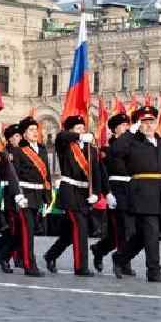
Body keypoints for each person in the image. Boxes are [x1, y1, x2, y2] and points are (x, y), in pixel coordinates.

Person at [111, 106, 161, 282]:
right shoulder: (132, 141)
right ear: (138, 124)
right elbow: (115, 151)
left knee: (144, 235)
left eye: (152, 121)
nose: (149, 125)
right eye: (144, 122)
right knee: (152, 232)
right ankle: (154, 271)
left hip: (159, 193)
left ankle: (120, 258)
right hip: (141, 192)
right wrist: (130, 132)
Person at [44, 114, 102, 277]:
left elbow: (96, 172)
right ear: (71, 130)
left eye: (83, 128)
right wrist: (78, 136)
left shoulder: (90, 148)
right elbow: (61, 136)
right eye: (77, 128)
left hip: (84, 193)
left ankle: (51, 255)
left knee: (71, 233)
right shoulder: (65, 144)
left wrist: (96, 193)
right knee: (80, 228)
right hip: (70, 192)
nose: (81, 130)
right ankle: (81, 267)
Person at [91, 112, 135, 275]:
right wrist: (107, 193)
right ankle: (123, 264)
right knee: (120, 230)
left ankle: (99, 249)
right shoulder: (108, 150)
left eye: (127, 125)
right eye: (123, 126)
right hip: (116, 191)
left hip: (131, 191)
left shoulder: (133, 147)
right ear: (115, 129)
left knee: (128, 231)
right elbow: (103, 174)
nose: (126, 128)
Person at [10, 116, 51, 277]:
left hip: (38, 195)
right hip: (25, 195)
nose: (35, 132)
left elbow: (46, 174)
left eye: (36, 129)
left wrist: (47, 196)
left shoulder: (42, 149)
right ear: (24, 134)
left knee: (27, 231)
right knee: (28, 231)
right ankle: (29, 265)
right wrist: (18, 195)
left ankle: (3, 253)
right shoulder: (18, 151)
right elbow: (13, 175)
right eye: (31, 130)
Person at [0, 124, 25, 273]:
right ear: (9, 139)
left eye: (19, 136)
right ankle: (8, 256)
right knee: (15, 228)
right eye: (16, 136)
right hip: (8, 195)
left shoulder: (22, 151)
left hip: (22, 194)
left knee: (18, 228)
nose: (19, 138)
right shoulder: (3, 153)